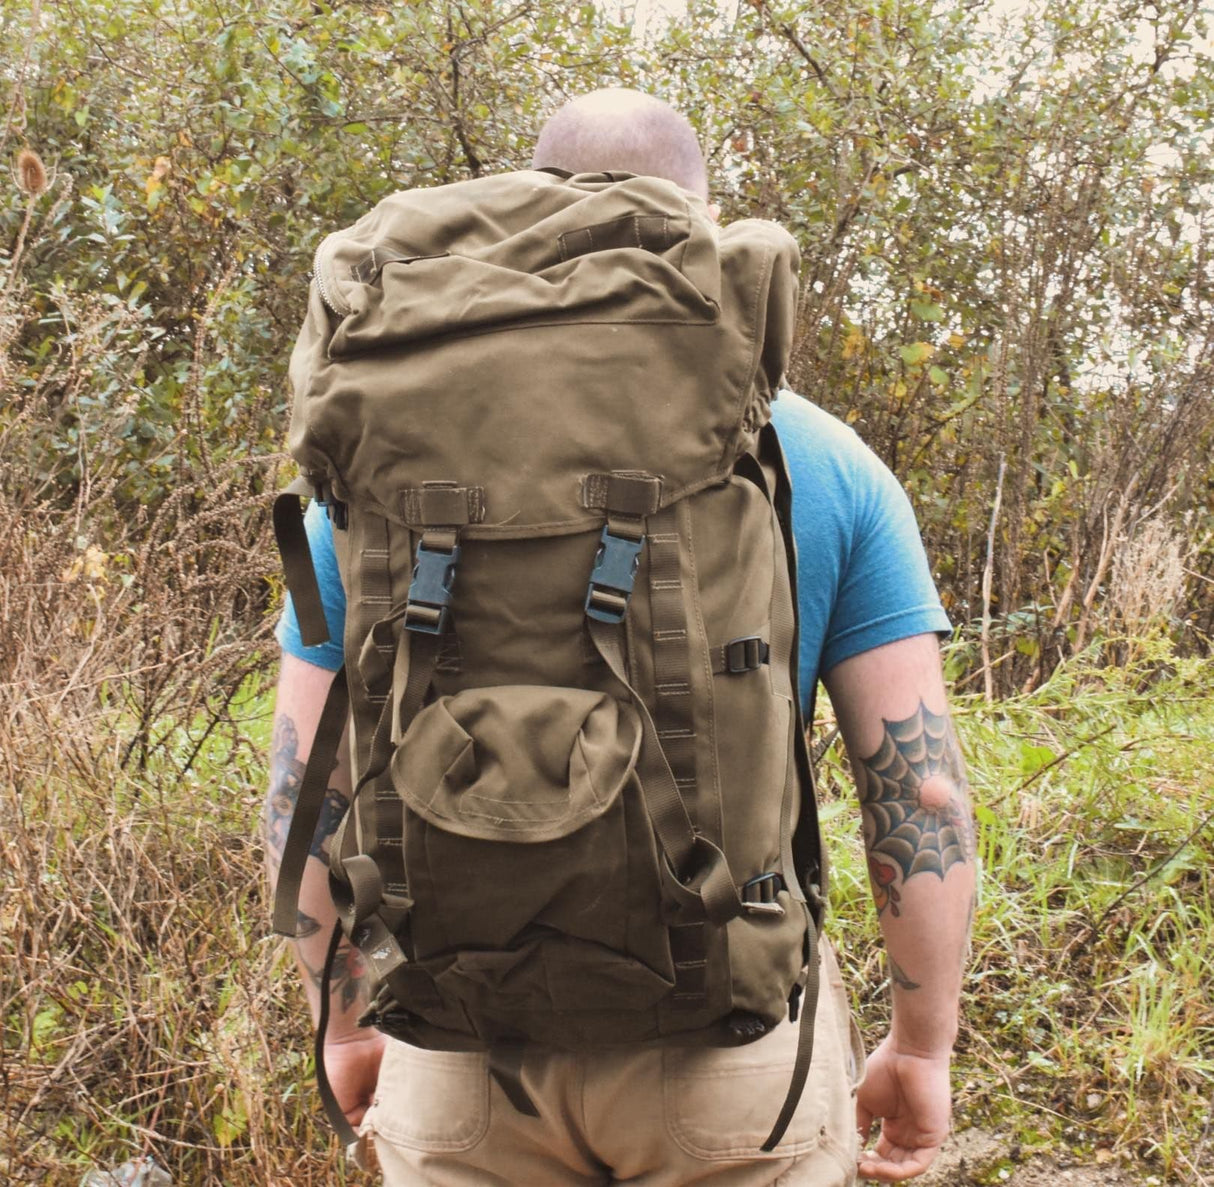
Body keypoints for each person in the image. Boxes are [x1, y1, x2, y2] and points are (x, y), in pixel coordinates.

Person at [265, 88, 975, 1186]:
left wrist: (347, 1022)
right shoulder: (817, 459)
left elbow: (302, 783)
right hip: (726, 1045)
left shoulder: (381, 453)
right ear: (696, 216)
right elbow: (916, 786)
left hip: (456, 1040)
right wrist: (919, 1046)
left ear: (528, 204)